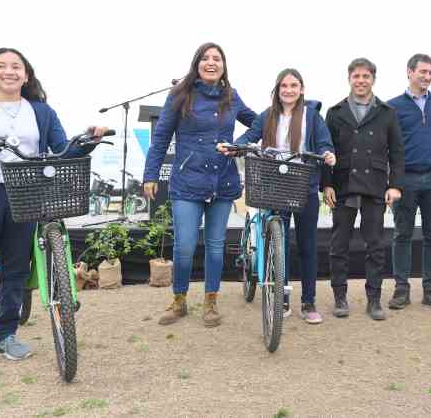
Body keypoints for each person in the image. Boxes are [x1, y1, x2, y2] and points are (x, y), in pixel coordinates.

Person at [0, 48, 109, 376]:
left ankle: (5, 335)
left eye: (16, 67)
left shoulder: (41, 111)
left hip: (25, 194)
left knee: (14, 271)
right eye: (2, 66)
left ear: (26, 76)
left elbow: (61, 149)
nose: (9, 71)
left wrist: (89, 140)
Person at [143, 42, 257, 328]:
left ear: (223, 65)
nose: (211, 62)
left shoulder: (232, 96)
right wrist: (150, 175)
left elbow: (257, 123)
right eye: (205, 58)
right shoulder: (180, 95)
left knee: (216, 246)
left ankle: (210, 302)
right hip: (187, 180)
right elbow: (160, 138)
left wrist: (240, 144)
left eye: (216, 58)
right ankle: (179, 300)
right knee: (184, 246)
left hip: (223, 180)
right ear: (197, 64)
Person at [221, 68, 335, 323]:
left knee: (307, 246)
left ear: (302, 89)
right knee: (277, 242)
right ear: (277, 89)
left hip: (304, 183)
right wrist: (234, 146)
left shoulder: (312, 116)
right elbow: (250, 137)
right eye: (284, 86)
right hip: (273, 183)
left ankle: (309, 302)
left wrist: (328, 153)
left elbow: (325, 143)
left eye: (294, 85)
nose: (289, 90)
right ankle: (279, 298)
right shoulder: (267, 116)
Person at [323, 58, 405, 321]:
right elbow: (326, 149)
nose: (361, 81)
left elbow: (398, 153)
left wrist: (395, 186)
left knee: (375, 245)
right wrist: (326, 184)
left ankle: (374, 300)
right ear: (349, 79)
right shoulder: (335, 112)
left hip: (375, 187)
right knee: (339, 245)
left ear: (373, 79)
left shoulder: (387, 112)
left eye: (366, 76)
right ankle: (340, 298)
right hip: (344, 186)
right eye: (356, 76)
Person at [387, 54, 431, 311]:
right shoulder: (392, 107)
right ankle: (401, 291)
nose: (427, 77)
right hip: (405, 179)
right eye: (423, 72)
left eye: (430, 73)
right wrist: (392, 180)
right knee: (402, 235)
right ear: (409, 72)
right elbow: (387, 146)